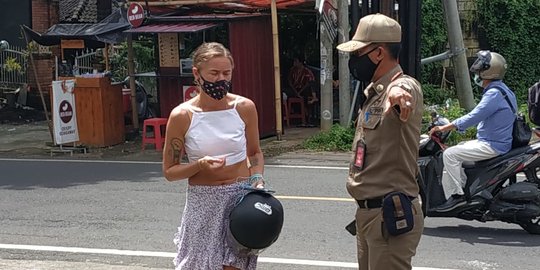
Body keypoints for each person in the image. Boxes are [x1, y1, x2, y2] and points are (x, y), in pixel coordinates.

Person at [162, 42, 265, 270]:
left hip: (238, 199)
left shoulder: (244, 107)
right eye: (214, 73)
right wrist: (198, 166)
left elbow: (255, 153)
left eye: (226, 73)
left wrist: (257, 180)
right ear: (197, 74)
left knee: (235, 265)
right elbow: (170, 171)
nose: (221, 79)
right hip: (203, 202)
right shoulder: (182, 116)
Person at [336, 13, 424, 270]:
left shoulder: (403, 86)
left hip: (388, 215)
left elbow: (404, 92)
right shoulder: (373, 94)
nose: (354, 60)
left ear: (378, 53)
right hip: (369, 215)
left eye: (358, 53)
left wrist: (397, 94)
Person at [428, 50, 516, 212]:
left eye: (480, 68)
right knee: (459, 147)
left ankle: (456, 197)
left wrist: (445, 127)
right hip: (495, 141)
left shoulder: (494, 94)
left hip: (492, 145)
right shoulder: (503, 90)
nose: (477, 71)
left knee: (450, 154)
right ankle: (467, 189)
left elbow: (473, 117)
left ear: (489, 71)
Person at [287, 55, 318, 124]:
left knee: (305, 96)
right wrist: (296, 92)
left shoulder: (306, 71)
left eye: (296, 61)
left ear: (300, 63)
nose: (294, 63)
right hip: (294, 89)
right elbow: (290, 82)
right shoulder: (292, 70)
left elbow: (309, 83)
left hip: (304, 89)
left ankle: (306, 115)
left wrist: (300, 92)